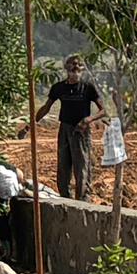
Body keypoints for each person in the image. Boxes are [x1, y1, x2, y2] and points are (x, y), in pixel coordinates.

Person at [45, 56, 104, 198]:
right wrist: (29, 125)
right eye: (72, 67)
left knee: (82, 167)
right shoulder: (59, 88)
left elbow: (103, 110)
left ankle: (83, 201)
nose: (75, 70)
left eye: (78, 67)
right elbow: (46, 107)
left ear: (82, 69)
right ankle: (66, 199)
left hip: (81, 131)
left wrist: (88, 120)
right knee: (63, 167)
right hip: (65, 129)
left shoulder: (87, 87)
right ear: (66, 69)